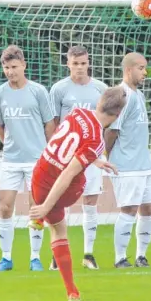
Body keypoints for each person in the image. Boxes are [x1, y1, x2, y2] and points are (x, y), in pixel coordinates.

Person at [29, 87, 127, 301]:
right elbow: (68, 173)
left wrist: (95, 160)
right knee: (80, 182)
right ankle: (71, 291)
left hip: (38, 175)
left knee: (56, 225)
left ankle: (38, 215)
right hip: (59, 186)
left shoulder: (77, 112)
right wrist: (46, 206)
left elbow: (66, 144)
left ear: (99, 101)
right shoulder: (97, 140)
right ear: (117, 115)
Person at [0, 45, 55, 272]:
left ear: (24, 65)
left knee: (35, 208)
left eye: (14, 67)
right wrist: (8, 141)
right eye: (6, 68)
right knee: (5, 207)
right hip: (10, 160)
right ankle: (6, 258)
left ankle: (35, 258)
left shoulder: (38, 91)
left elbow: (49, 124)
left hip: (36, 159)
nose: (10, 72)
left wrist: (49, 152)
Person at [49, 45, 108, 270]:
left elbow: (105, 122)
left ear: (89, 63)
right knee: (60, 203)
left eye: (83, 63)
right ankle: (58, 253)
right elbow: (54, 124)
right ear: (68, 64)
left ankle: (88, 254)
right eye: (75, 64)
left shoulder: (100, 89)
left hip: (91, 155)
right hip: (66, 156)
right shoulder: (59, 89)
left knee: (90, 202)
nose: (80, 68)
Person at [104, 52, 151, 268]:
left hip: (144, 164)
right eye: (141, 68)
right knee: (129, 210)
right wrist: (106, 158)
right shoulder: (122, 95)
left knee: (148, 210)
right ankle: (120, 257)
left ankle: (141, 255)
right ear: (128, 70)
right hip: (126, 165)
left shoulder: (139, 95)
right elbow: (111, 131)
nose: (145, 72)